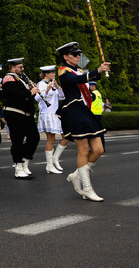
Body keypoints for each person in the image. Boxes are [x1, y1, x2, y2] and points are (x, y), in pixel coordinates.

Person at [55, 41, 111, 202]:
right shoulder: (63, 71)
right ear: (66, 57)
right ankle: (87, 188)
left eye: (78, 54)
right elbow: (77, 80)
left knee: (98, 149)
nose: (78, 56)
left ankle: (76, 175)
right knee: (84, 150)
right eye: (74, 54)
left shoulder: (78, 70)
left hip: (85, 111)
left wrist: (99, 72)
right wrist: (97, 70)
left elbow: (84, 82)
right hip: (73, 111)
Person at [0, 58, 40, 179]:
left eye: (22, 67)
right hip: (14, 113)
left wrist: (31, 90)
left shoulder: (21, 79)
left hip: (26, 114)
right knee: (17, 141)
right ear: (13, 67)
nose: (22, 69)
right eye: (20, 67)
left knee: (34, 138)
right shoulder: (9, 78)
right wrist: (30, 92)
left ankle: (25, 161)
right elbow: (14, 94)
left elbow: (26, 96)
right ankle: (18, 167)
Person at [35, 65, 68, 174]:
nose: (54, 74)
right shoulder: (41, 84)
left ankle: (55, 159)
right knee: (51, 140)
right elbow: (37, 98)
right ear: (46, 74)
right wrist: (47, 90)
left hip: (55, 114)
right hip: (47, 114)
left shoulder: (53, 83)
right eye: (52, 72)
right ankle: (49, 165)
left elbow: (62, 96)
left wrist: (57, 87)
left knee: (66, 136)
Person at [89, 82, 106, 149]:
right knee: (99, 131)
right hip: (99, 114)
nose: (89, 88)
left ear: (93, 86)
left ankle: (95, 148)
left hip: (93, 114)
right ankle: (102, 147)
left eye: (90, 86)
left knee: (92, 132)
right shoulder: (98, 93)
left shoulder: (93, 94)